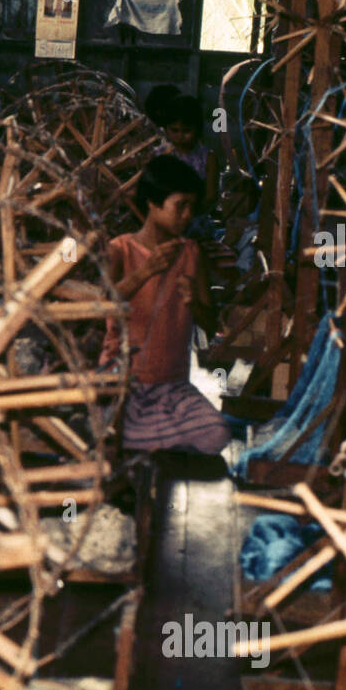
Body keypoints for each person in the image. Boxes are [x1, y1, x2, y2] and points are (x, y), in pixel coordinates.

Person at [100, 155, 230, 457]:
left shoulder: (191, 253)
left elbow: (211, 325)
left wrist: (194, 303)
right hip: (123, 383)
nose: (187, 216)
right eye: (180, 206)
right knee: (111, 429)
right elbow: (99, 307)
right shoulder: (120, 249)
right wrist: (145, 272)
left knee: (216, 435)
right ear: (152, 203)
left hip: (172, 387)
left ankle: (140, 442)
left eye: (191, 207)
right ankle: (139, 441)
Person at [155, 93, 219, 232]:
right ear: (166, 128)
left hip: (196, 219)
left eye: (186, 131)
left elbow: (211, 196)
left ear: (197, 129)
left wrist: (188, 213)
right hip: (163, 217)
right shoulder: (159, 154)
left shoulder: (207, 157)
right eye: (174, 130)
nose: (180, 136)